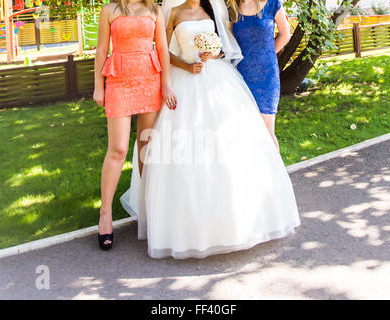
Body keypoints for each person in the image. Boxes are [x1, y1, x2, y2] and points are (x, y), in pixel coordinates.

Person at [121, 0, 300, 259]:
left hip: (216, 77)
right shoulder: (173, 12)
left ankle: (238, 219)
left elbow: (222, 45)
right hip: (185, 79)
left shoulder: (212, 11)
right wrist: (187, 66)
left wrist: (212, 53)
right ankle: (183, 224)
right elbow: (163, 51)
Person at [93, 0, 176, 250]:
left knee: (146, 148)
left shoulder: (154, 10)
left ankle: (149, 210)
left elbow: (162, 49)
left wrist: (165, 85)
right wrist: (99, 86)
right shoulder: (109, 10)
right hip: (119, 81)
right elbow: (101, 50)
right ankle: (105, 213)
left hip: (149, 80)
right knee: (118, 149)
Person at [230, 0, 291, 150]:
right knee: (246, 132)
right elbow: (230, 43)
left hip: (267, 76)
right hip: (241, 77)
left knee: (268, 131)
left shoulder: (272, 4)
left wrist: (267, 54)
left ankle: (275, 173)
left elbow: (285, 35)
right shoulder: (232, 9)